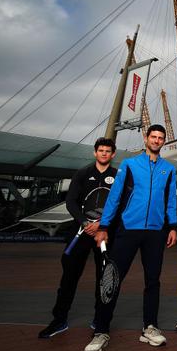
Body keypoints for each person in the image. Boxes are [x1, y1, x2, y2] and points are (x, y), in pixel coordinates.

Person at [83, 124, 177, 351]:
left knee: (153, 281)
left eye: (160, 138)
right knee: (112, 278)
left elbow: (170, 201)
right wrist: (104, 226)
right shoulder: (129, 165)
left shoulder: (169, 169)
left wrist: (173, 226)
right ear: (146, 139)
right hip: (128, 228)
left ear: (163, 142)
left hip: (155, 232)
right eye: (153, 137)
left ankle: (150, 328)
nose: (156, 140)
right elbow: (114, 197)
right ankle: (101, 331)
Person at [39, 137, 117, 338]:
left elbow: (120, 205)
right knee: (69, 278)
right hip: (81, 231)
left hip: (104, 233)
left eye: (108, 151)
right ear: (95, 152)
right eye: (101, 150)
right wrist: (85, 222)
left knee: (104, 279)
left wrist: (102, 225)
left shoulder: (118, 176)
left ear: (113, 154)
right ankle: (59, 320)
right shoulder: (82, 174)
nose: (104, 154)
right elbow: (71, 202)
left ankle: (100, 321)